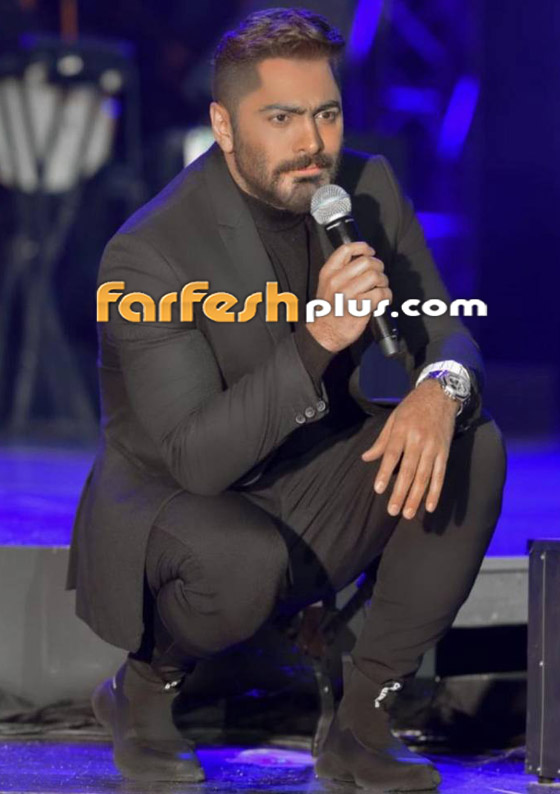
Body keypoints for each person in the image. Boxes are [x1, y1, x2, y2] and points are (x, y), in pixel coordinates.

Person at [65, 7, 507, 791]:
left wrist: (440, 387)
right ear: (224, 126)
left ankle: (363, 722)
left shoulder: (365, 187)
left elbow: (447, 328)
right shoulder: (150, 252)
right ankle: (144, 687)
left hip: (311, 466)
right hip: (180, 500)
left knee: (470, 444)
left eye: (326, 114)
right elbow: (197, 459)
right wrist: (319, 337)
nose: (312, 142)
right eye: (281, 118)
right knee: (240, 561)